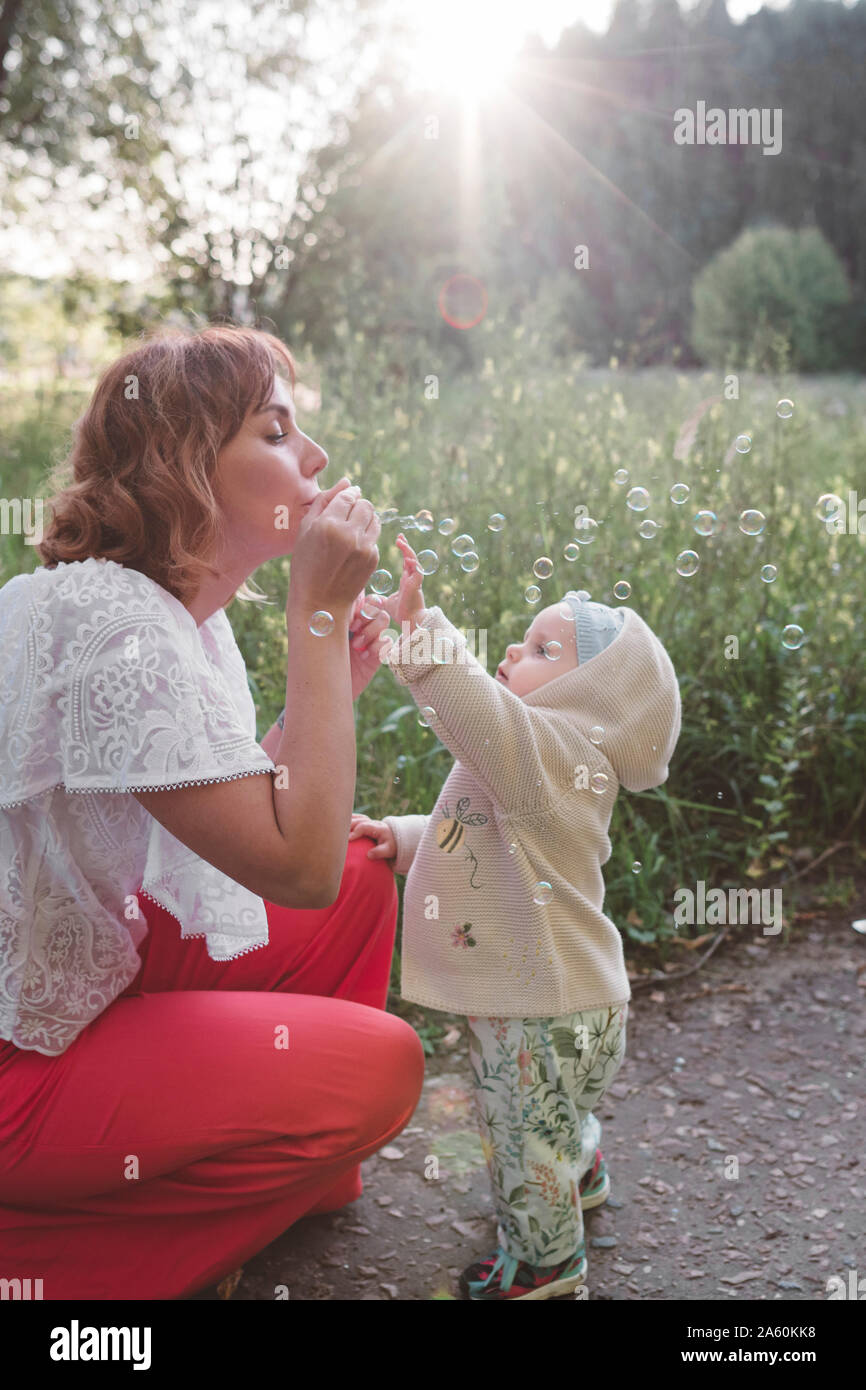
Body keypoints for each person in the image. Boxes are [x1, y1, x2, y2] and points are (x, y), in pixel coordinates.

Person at [0, 325, 425, 1300]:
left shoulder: (166, 615)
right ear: (184, 466)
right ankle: (51, 1251)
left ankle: (295, 1161)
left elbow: (245, 823)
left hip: (82, 972)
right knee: (386, 1069)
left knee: (362, 878)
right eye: (276, 430)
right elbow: (293, 864)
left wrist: (328, 683)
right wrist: (316, 621)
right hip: (18, 1068)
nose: (314, 458)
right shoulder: (111, 629)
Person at [349, 534, 682, 1300]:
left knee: (521, 1133)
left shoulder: (550, 752)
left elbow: (472, 709)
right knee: (560, 1111)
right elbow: (478, 833)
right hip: (582, 1007)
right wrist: (402, 837)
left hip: (537, 1016)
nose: (512, 647)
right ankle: (580, 1166)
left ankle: (545, 1262)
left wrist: (420, 624)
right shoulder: (549, 767)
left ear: (588, 697)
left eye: (541, 647)